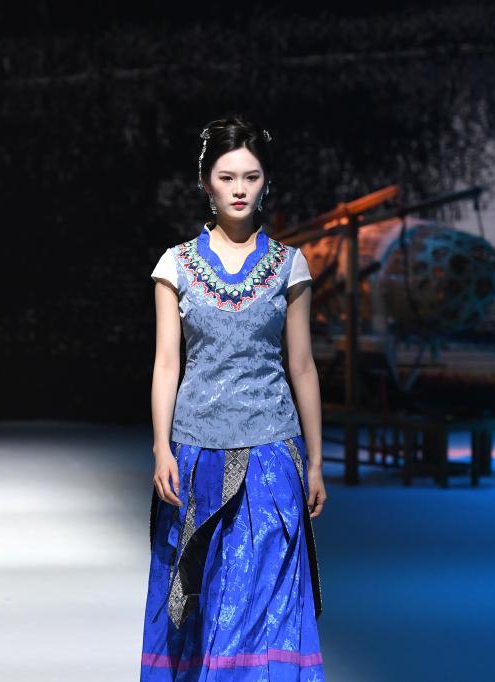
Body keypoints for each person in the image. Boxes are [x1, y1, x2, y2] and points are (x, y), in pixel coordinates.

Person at [141, 117, 327, 681]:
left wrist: (316, 461)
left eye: (251, 176)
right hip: (196, 453)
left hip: (272, 454)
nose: (239, 189)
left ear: (266, 182)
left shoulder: (289, 264)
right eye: (227, 177)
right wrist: (161, 449)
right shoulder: (175, 264)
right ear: (206, 183)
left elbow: (301, 365)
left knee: (263, 606)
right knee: (206, 604)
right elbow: (166, 363)